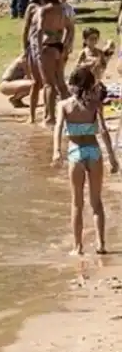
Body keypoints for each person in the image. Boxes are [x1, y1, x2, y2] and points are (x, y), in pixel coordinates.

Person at [53, 67, 118, 255]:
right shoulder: (95, 105)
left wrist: (57, 151)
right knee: (96, 202)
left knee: (77, 203)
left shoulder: (64, 105)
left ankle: (78, 247)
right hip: (94, 152)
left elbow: (57, 128)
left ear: (72, 85)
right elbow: (104, 131)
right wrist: (112, 158)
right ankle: (101, 244)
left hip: (75, 152)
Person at [36, 0, 71, 125]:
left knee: (49, 84)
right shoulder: (63, 9)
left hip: (47, 47)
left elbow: (39, 30)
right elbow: (70, 28)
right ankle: (68, 115)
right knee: (61, 83)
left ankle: (50, 118)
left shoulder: (44, 10)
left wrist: (38, 49)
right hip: (59, 46)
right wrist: (65, 44)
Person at [76, 27, 115, 101]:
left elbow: (104, 65)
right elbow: (77, 67)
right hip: (85, 80)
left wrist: (101, 63)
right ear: (85, 40)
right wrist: (88, 64)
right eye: (91, 38)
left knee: (97, 98)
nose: (94, 41)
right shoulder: (83, 52)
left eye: (96, 38)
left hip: (96, 80)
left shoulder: (99, 52)